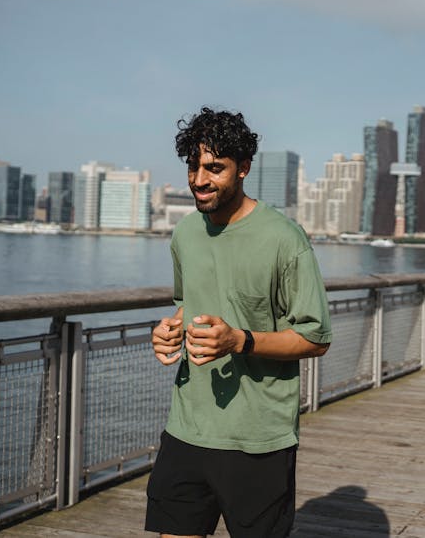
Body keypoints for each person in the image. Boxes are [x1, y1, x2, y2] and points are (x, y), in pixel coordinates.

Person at [146, 107, 332, 538]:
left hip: (258, 438)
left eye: (214, 168)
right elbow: (186, 303)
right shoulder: (185, 234)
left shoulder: (285, 239)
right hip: (186, 428)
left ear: (244, 168)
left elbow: (315, 337)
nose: (199, 179)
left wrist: (239, 341)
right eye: (193, 166)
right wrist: (167, 329)